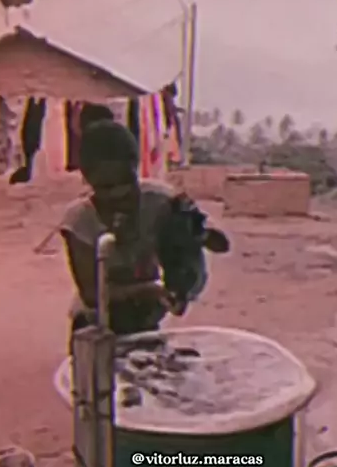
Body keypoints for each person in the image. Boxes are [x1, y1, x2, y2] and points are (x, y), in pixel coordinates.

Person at [59, 119, 229, 348]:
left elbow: (221, 244)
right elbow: (93, 295)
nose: (119, 194)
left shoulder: (160, 201)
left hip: (146, 320)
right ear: (88, 179)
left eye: (126, 183)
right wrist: (151, 290)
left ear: (135, 170)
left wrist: (196, 229)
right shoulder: (80, 221)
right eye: (106, 187)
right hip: (94, 325)